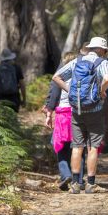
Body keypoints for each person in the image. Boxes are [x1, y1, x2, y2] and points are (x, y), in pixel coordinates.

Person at [52, 37, 108, 194]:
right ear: (101, 50)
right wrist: (101, 91)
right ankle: (91, 184)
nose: (104, 54)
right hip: (95, 111)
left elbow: (56, 77)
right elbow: (107, 79)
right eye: (104, 51)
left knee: (77, 147)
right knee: (92, 147)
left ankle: (75, 184)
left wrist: (69, 91)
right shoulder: (102, 62)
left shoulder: (76, 62)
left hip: (76, 111)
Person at [43, 51, 85, 190]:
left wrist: (49, 111)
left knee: (60, 146)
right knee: (78, 147)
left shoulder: (60, 76)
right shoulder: (83, 75)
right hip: (79, 113)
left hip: (63, 115)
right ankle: (78, 179)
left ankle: (65, 174)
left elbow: (54, 94)